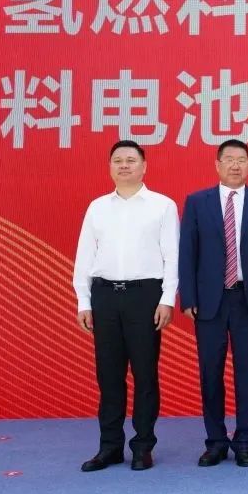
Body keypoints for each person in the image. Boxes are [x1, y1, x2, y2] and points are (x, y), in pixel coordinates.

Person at [72, 139, 178, 472]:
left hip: (144, 296)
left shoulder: (162, 206)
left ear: (144, 167)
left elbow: (172, 256)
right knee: (108, 375)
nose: (124, 165)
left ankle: (143, 446)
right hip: (104, 296)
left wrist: (167, 299)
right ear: (110, 167)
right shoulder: (97, 207)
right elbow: (84, 256)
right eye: (118, 160)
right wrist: (84, 300)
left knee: (145, 374)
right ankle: (110, 447)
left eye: (131, 160)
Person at [179, 139, 248, 467]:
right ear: (217, 164)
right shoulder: (197, 202)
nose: (235, 165)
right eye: (229, 159)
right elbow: (187, 252)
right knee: (210, 372)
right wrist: (188, 297)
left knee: (247, 372)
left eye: (241, 160)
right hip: (209, 301)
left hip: (247, 299)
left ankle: (245, 442)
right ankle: (215, 441)